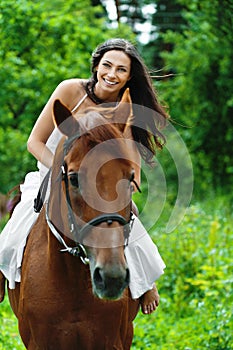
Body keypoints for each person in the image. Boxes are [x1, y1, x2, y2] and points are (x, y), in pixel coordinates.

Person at [0, 38, 168, 314]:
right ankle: (3, 271)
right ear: (96, 66)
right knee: (21, 218)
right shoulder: (70, 90)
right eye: (107, 66)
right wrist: (60, 172)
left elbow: (130, 157)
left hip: (103, 182)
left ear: (129, 77)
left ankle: (145, 282)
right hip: (57, 172)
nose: (112, 74)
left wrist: (126, 181)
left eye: (121, 70)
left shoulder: (124, 109)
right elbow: (35, 142)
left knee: (130, 218)